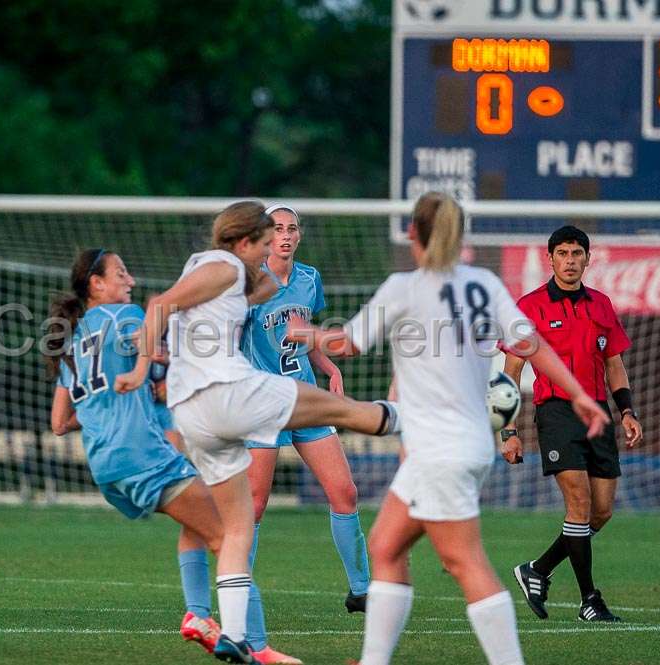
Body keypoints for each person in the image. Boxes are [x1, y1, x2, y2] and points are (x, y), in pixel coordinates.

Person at [284, 192, 610, 665]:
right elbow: (533, 345)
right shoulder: (485, 284)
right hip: (465, 442)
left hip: (440, 448)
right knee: (385, 545)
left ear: (414, 235)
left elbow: (346, 344)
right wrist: (580, 395)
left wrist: (305, 333)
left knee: (465, 562)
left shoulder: (405, 286)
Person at [114, 200, 401, 664]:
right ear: (246, 241)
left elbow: (213, 304)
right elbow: (160, 305)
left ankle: (235, 634)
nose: (279, 242)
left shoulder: (266, 276)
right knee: (351, 414)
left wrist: (318, 354)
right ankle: (413, 417)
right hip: (243, 397)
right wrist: (143, 365)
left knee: (239, 526)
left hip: (200, 411)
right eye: (270, 236)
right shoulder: (226, 266)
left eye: (287, 232)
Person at [46, 248, 299, 661]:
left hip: (105, 464)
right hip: (142, 454)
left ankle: (199, 614)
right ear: (97, 285)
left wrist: (115, 405)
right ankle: (257, 646)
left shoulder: (74, 338)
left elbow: (60, 420)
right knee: (231, 534)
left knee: (199, 522)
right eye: (121, 273)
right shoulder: (125, 316)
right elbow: (159, 330)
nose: (130, 281)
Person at [239, 203, 369, 657]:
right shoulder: (248, 280)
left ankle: (362, 590)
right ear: (264, 235)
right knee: (254, 506)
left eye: (293, 228)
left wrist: (327, 364)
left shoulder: (309, 279)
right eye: (278, 229)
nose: (286, 236)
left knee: (345, 492)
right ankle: (237, 593)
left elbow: (303, 337)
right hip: (264, 405)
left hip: (306, 400)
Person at [501, 225, 643, 623]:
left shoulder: (600, 305)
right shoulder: (528, 307)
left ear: (587, 259)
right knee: (578, 505)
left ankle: (538, 569)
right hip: (556, 412)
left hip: (599, 414)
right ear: (550, 259)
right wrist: (508, 431)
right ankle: (589, 600)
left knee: (601, 513)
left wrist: (628, 411)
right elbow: (509, 374)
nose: (569, 260)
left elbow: (614, 364)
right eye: (561, 253)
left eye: (576, 253)